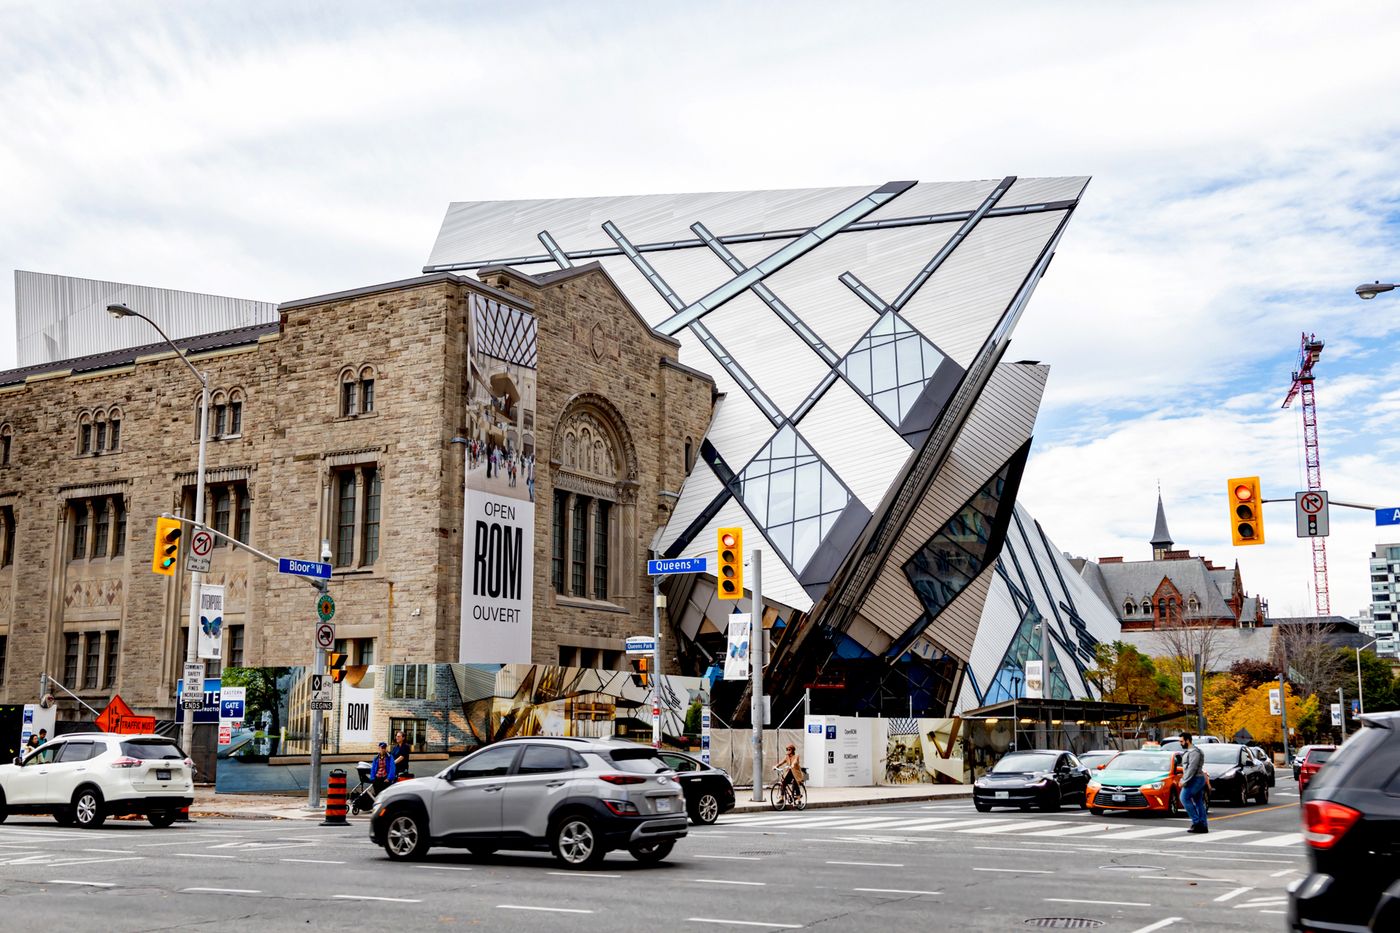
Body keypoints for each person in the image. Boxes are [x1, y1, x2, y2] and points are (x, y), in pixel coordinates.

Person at [1179, 732, 1210, 834]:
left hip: (1195, 779)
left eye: (1182, 741)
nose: (1180, 743)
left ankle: (1197, 823)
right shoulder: (1191, 751)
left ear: (1188, 740)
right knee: (1198, 802)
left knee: (1184, 798)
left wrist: (1184, 781)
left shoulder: (1194, 752)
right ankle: (1203, 825)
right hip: (1195, 779)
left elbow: (1192, 768)